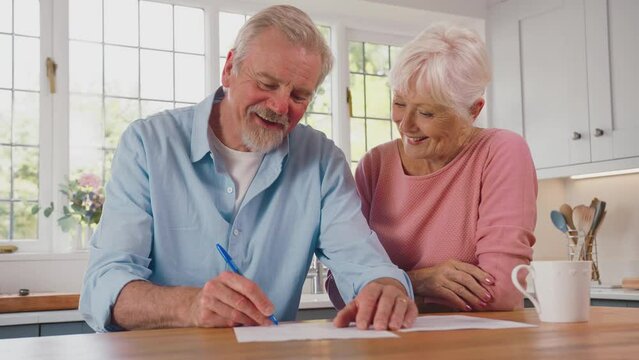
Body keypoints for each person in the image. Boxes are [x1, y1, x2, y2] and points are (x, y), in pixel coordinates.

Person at [79, 5, 417, 332]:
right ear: (229, 69)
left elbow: (362, 261)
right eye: (268, 84)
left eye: (299, 95)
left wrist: (384, 288)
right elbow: (105, 285)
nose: (280, 106)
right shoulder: (148, 144)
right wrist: (190, 305)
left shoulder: (322, 160)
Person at [327, 24, 537, 313]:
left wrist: (388, 290)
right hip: (389, 342)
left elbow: (500, 292)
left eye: (427, 113)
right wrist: (421, 282)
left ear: (473, 111)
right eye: (399, 103)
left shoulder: (501, 152)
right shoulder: (374, 166)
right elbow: (340, 288)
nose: (406, 124)